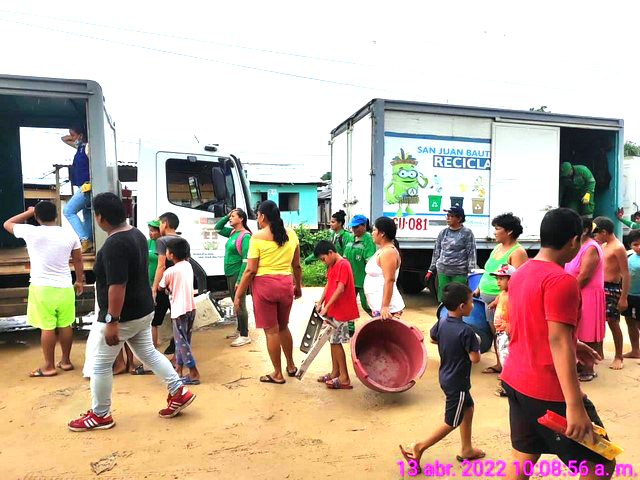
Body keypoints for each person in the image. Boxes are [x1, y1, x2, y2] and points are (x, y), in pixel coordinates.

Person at [501, 208, 615, 480]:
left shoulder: (521, 272)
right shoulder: (561, 280)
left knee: (524, 456)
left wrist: (574, 342)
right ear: (574, 241)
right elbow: (558, 340)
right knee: (601, 465)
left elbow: (529, 324)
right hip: (548, 391)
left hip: (516, 380)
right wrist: (574, 405)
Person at [68, 193, 195, 432]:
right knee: (148, 353)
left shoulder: (114, 244)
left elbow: (117, 286)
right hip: (142, 310)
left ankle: (101, 415)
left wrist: (112, 320)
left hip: (124, 316)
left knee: (100, 364)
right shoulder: (135, 234)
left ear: (100, 217)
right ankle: (178, 391)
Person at [399, 283, 483, 473]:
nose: (472, 305)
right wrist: (476, 342)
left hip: (446, 376)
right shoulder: (467, 331)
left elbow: (433, 338)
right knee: (452, 421)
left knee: (468, 408)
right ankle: (419, 446)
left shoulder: (442, 321)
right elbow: (475, 359)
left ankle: (467, 449)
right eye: (471, 302)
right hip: (458, 382)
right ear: (462, 306)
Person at [3, 202, 83, 377]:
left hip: (42, 288)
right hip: (65, 287)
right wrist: (79, 280)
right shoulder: (70, 234)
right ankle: (66, 361)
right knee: (65, 324)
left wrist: (29, 212)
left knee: (47, 327)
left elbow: (7, 223)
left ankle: (49, 366)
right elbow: (78, 260)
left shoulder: (31, 231)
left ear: (37, 217)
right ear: (56, 215)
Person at [233, 200, 302, 384]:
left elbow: (250, 270)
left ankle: (277, 373)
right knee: (283, 327)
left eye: (257, 215)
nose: (257, 219)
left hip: (265, 287)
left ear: (262, 216)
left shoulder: (257, 237)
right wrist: (298, 286)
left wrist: (238, 295)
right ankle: (291, 366)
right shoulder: (292, 234)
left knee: (271, 332)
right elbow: (296, 265)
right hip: (285, 285)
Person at [474, 213, 527, 374]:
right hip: (488, 301)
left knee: (506, 335)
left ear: (509, 231)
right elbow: (488, 271)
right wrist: (478, 288)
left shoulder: (517, 252)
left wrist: (500, 299)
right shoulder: (498, 248)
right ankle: (500, 364)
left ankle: (510, 369)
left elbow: (517, 281)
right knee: (496, 334)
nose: (494, 232)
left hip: (503, 304)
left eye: (497, 229)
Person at [113, 218, 161, 376]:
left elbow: (160, 266)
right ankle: (124, 363)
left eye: (153, 230)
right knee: (124, 328)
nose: (151, 233)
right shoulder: (145, 243)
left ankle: (132, 362)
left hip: (151, 286)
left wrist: (155, 286)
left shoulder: (161, 244)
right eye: (149, 230)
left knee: (136, 327)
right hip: (140, 285)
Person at [314, 240, 360, 389]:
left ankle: (344, 377)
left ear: (330, 253)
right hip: (333, 310)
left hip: (340, 311)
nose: (323, 262)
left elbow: (340, 289)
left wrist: (326, 307)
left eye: (323, 259)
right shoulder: (332, 265)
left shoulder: (343, 264)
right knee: (332, 341)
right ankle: (335, 372)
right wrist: (321, 302)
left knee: (336, 342)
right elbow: (329, 284)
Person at [564, 217, 605, 381]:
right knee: (576, 329)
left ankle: (588, 367)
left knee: (587, 331)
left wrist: (567, 291)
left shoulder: (591, 248)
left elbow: (585, 276)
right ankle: (579, 363)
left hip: (587, 294)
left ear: (585, 230)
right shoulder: (576, 246)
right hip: (577, 291)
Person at [160, 237, 200, 385]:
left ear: (171, 255)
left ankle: (193, 372)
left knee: (181, 342)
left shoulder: (170, 271)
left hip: (179, 310)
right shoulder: (188, 265)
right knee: (183, 341)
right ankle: (179, 369)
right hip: (191, 307)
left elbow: (161, 286)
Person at [593, 216, 629, 370]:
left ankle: (618, 356)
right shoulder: (603, 246)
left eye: (596, 233)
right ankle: (599, 351)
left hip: (612, 288)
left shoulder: (618, 248)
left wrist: (623, 297)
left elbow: (625, 274)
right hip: (600, 287)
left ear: (604, 232)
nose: (595, 236)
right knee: (599, 321)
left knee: (613, 322)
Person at [214, 208, 252, 347]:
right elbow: (217, 228)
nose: (230, 218)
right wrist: (226, 215)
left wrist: (240, 279)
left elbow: (246, 260)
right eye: (230, 216)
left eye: (233, 216)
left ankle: (245, 335)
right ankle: (239, 329)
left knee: (240, 303)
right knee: (235, 302)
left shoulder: (245, 236)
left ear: (241, 219)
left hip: (237, 273)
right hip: (229, 273)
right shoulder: (232, 233)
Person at [426, 206, 477, 302]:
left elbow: (471, 253)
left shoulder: (467, 233)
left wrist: (471, 272)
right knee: (444, 297)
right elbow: (437, 251)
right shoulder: (443, 232)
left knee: (457, 298)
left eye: (451, 216)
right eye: (447, 216)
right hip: (443, 271)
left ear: (459, 218)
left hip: (460, 272)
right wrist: (431, 269)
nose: (448, 218)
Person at [364, 217, 405, 319]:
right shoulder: (382, 250)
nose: (372, 233)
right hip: (378, 307)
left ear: (382, 233)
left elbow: (389, 279)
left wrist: (385, 306)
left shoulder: (388, 252)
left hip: (387, 310)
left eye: (374, 230)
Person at [151, 212, 180, 350]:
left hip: (164, 286)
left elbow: (161, 266)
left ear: (165, 224)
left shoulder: (162, 241)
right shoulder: (182, 240)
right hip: (178, 286)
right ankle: (177, 352)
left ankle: (153, 353)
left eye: (160, 223)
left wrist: (154, 288)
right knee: (177, 318)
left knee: (154, 322)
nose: (160, 226)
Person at [62, 126, 93, 253]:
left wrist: (79, 137)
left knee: (68, 211)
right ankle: (89, 242)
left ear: (80, 135)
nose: (71, 137)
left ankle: (84, 239)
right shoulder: (80, 147)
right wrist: (75, 137)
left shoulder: (88, 147)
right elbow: (63, 138)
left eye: (73, 135)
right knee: (87, 215)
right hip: (83, 186)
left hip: (87, 186)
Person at [489, 264, 515, 397]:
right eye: (497, 279)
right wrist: (493, 304)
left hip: (506, 332)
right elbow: (497, 300)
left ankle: (507, 386)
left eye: (501, 279)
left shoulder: (514, 296)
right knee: (503, 356)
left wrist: (510, 324)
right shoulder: (502, 293)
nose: (498, 282)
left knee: (506, 359)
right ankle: (508, 382)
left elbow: (517, 312)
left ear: (511, 279)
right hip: (500, 332)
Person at [343, 214, 376, 316]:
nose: (354, 229)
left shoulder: (368, 240)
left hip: (363, 281)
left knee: (367, 305)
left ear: (364, 226)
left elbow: (370, 262)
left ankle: (380, 322)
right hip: (351, 280)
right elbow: (345, 258)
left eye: (356, 226)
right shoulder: (350, 238)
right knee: (348, 305)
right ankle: (350, 326)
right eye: (353, 227)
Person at [622, 229, 640, 359]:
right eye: (636, 244)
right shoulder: (628, 257)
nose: (639, 247)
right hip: (629, 295)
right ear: (630, 245)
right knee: (630, 322)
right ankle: (635, 350)